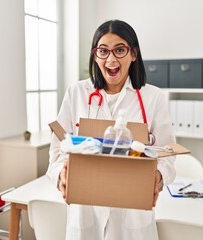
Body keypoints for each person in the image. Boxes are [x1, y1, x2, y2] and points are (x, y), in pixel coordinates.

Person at [46, 19, 176, 240]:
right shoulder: (76, 93)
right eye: (103, 51)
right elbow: (57, 152)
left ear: (133, 54)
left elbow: (168, 154)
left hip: (132, 220)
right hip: (85, 216)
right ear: (95, 55)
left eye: (120, 50)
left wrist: (158, 176)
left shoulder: (153, 98)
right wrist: (62, 176)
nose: (111, 59)